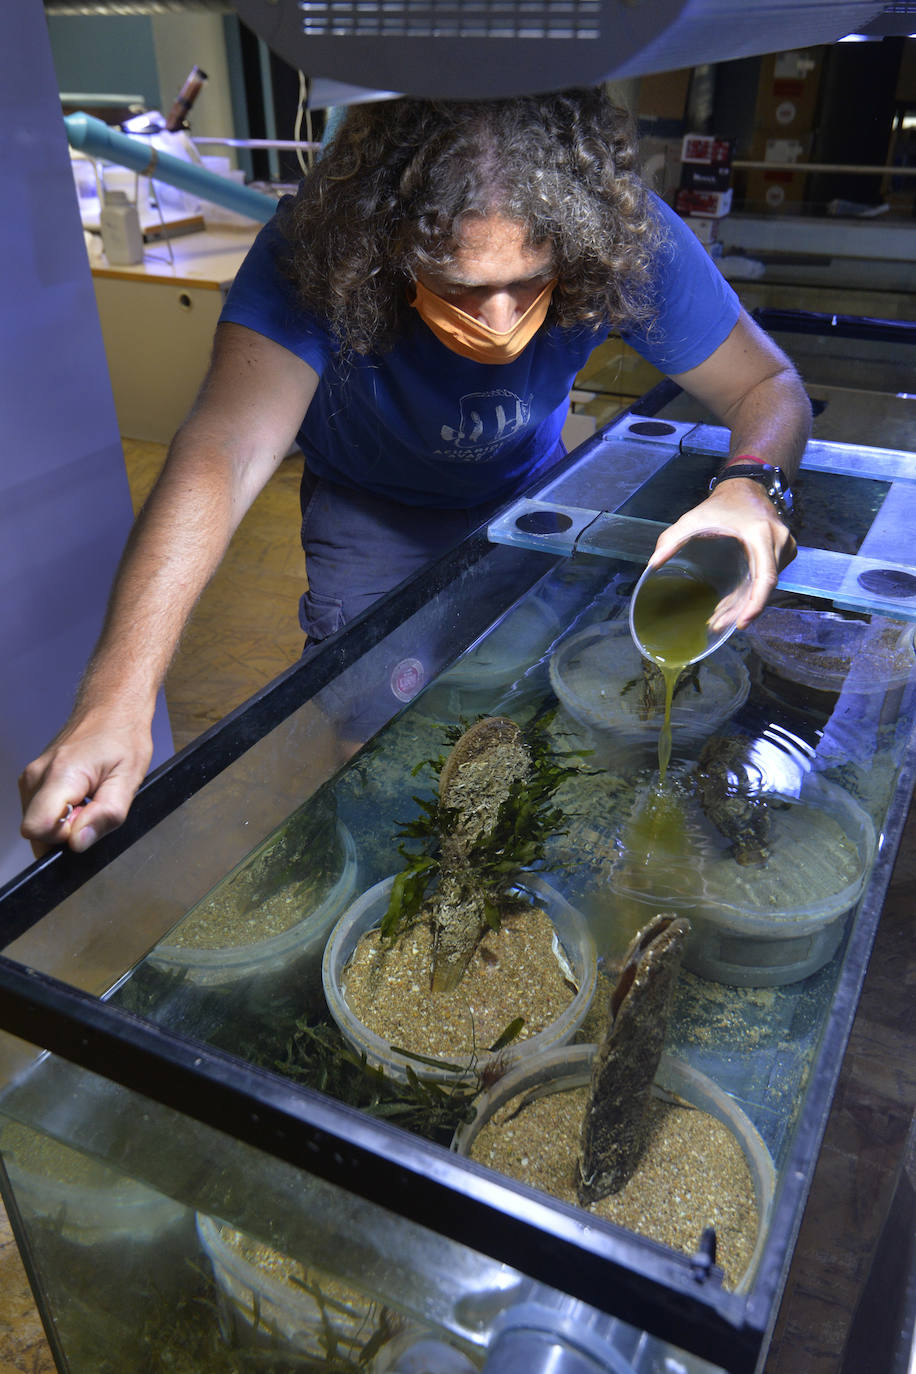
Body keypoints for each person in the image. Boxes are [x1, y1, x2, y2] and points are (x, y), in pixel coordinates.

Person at [19, 87, 810, 856]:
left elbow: (768, 386)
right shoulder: (318, 247)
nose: (500, 321)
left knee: (538, 705)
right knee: (376, 744)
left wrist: (748, 484)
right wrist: (116, 697)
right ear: (387, 250)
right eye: (462, 287)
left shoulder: (620, 232)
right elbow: (219, 454)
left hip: (530, 499)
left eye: (531, 281)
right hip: (373, 513)